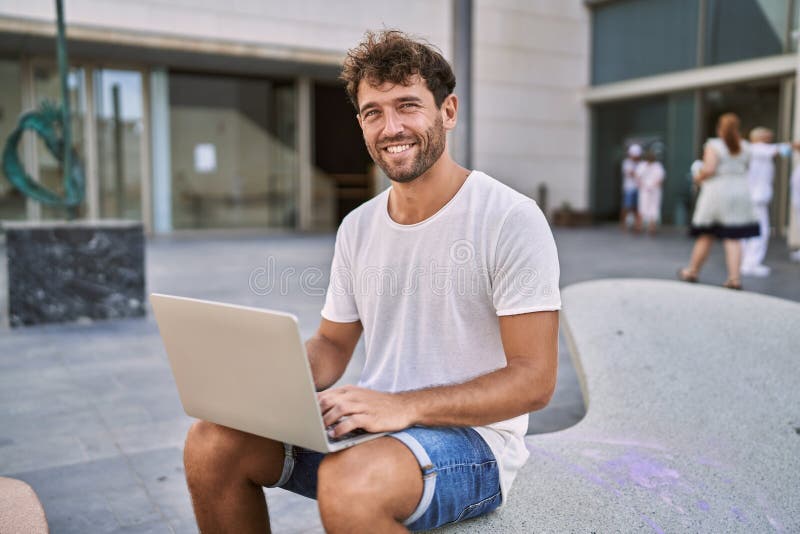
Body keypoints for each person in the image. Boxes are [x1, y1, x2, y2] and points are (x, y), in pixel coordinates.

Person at [182, 30, 561, 533]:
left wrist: (402, 407)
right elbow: (334, 345)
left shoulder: (509, 218)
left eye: (407, 105)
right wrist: (269, 383)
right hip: (371, 425)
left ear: (447, 112)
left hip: (474, 442)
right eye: (373, 112)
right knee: (212, 443)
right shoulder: (359, 226)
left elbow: (535, 380)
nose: (391, 127)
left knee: (349, 482)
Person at [678, 113, 759, 290]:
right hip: (740, 191)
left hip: (718, 192)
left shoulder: (714, 145)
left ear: (719, 128)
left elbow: (709, 169)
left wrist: (698, 178)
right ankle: (734, 278)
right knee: (734, 237)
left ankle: (692, 271)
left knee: (706, 234)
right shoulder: (745, 147)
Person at [740, 127, 793, 277]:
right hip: (757, 198)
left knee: (746, 231)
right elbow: (782, 150)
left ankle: (746, 261)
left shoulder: (751, 149)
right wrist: (792, 144)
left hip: (751, 196)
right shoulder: (759, 148)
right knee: (760, 232)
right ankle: (751, 263)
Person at [635, 150, 666, 235]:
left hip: (654, 191)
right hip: (644, 190)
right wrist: (643, 185)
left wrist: (652, 186)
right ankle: (639, 227)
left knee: (653, 209)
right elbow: (637, 177)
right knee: (642, 208)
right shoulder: (642, 165)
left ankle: (651, 228)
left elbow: (660, 179)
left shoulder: (657, 166)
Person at [620, 144, 643, 232]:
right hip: (629, 188)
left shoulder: (641, 163)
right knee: (626, 206)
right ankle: (623, 224)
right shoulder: (627, 162)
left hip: (638, 188)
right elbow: (631, 173)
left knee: (637, 208)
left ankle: (637, 225)